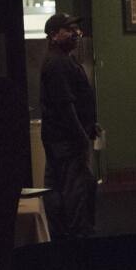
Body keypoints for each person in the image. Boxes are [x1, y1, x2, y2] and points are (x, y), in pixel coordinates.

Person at [40, 13, 99, 238]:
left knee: (61, 192)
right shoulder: (59, 62)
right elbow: (65, 107)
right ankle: (80, 245)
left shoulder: (63, 59)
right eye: (69, 29)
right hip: (68, 142)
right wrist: (81, 137)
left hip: (60, 140)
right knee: (78, 194)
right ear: (54, 35)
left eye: (77, 29)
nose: (76, 33)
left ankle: (63, 242)